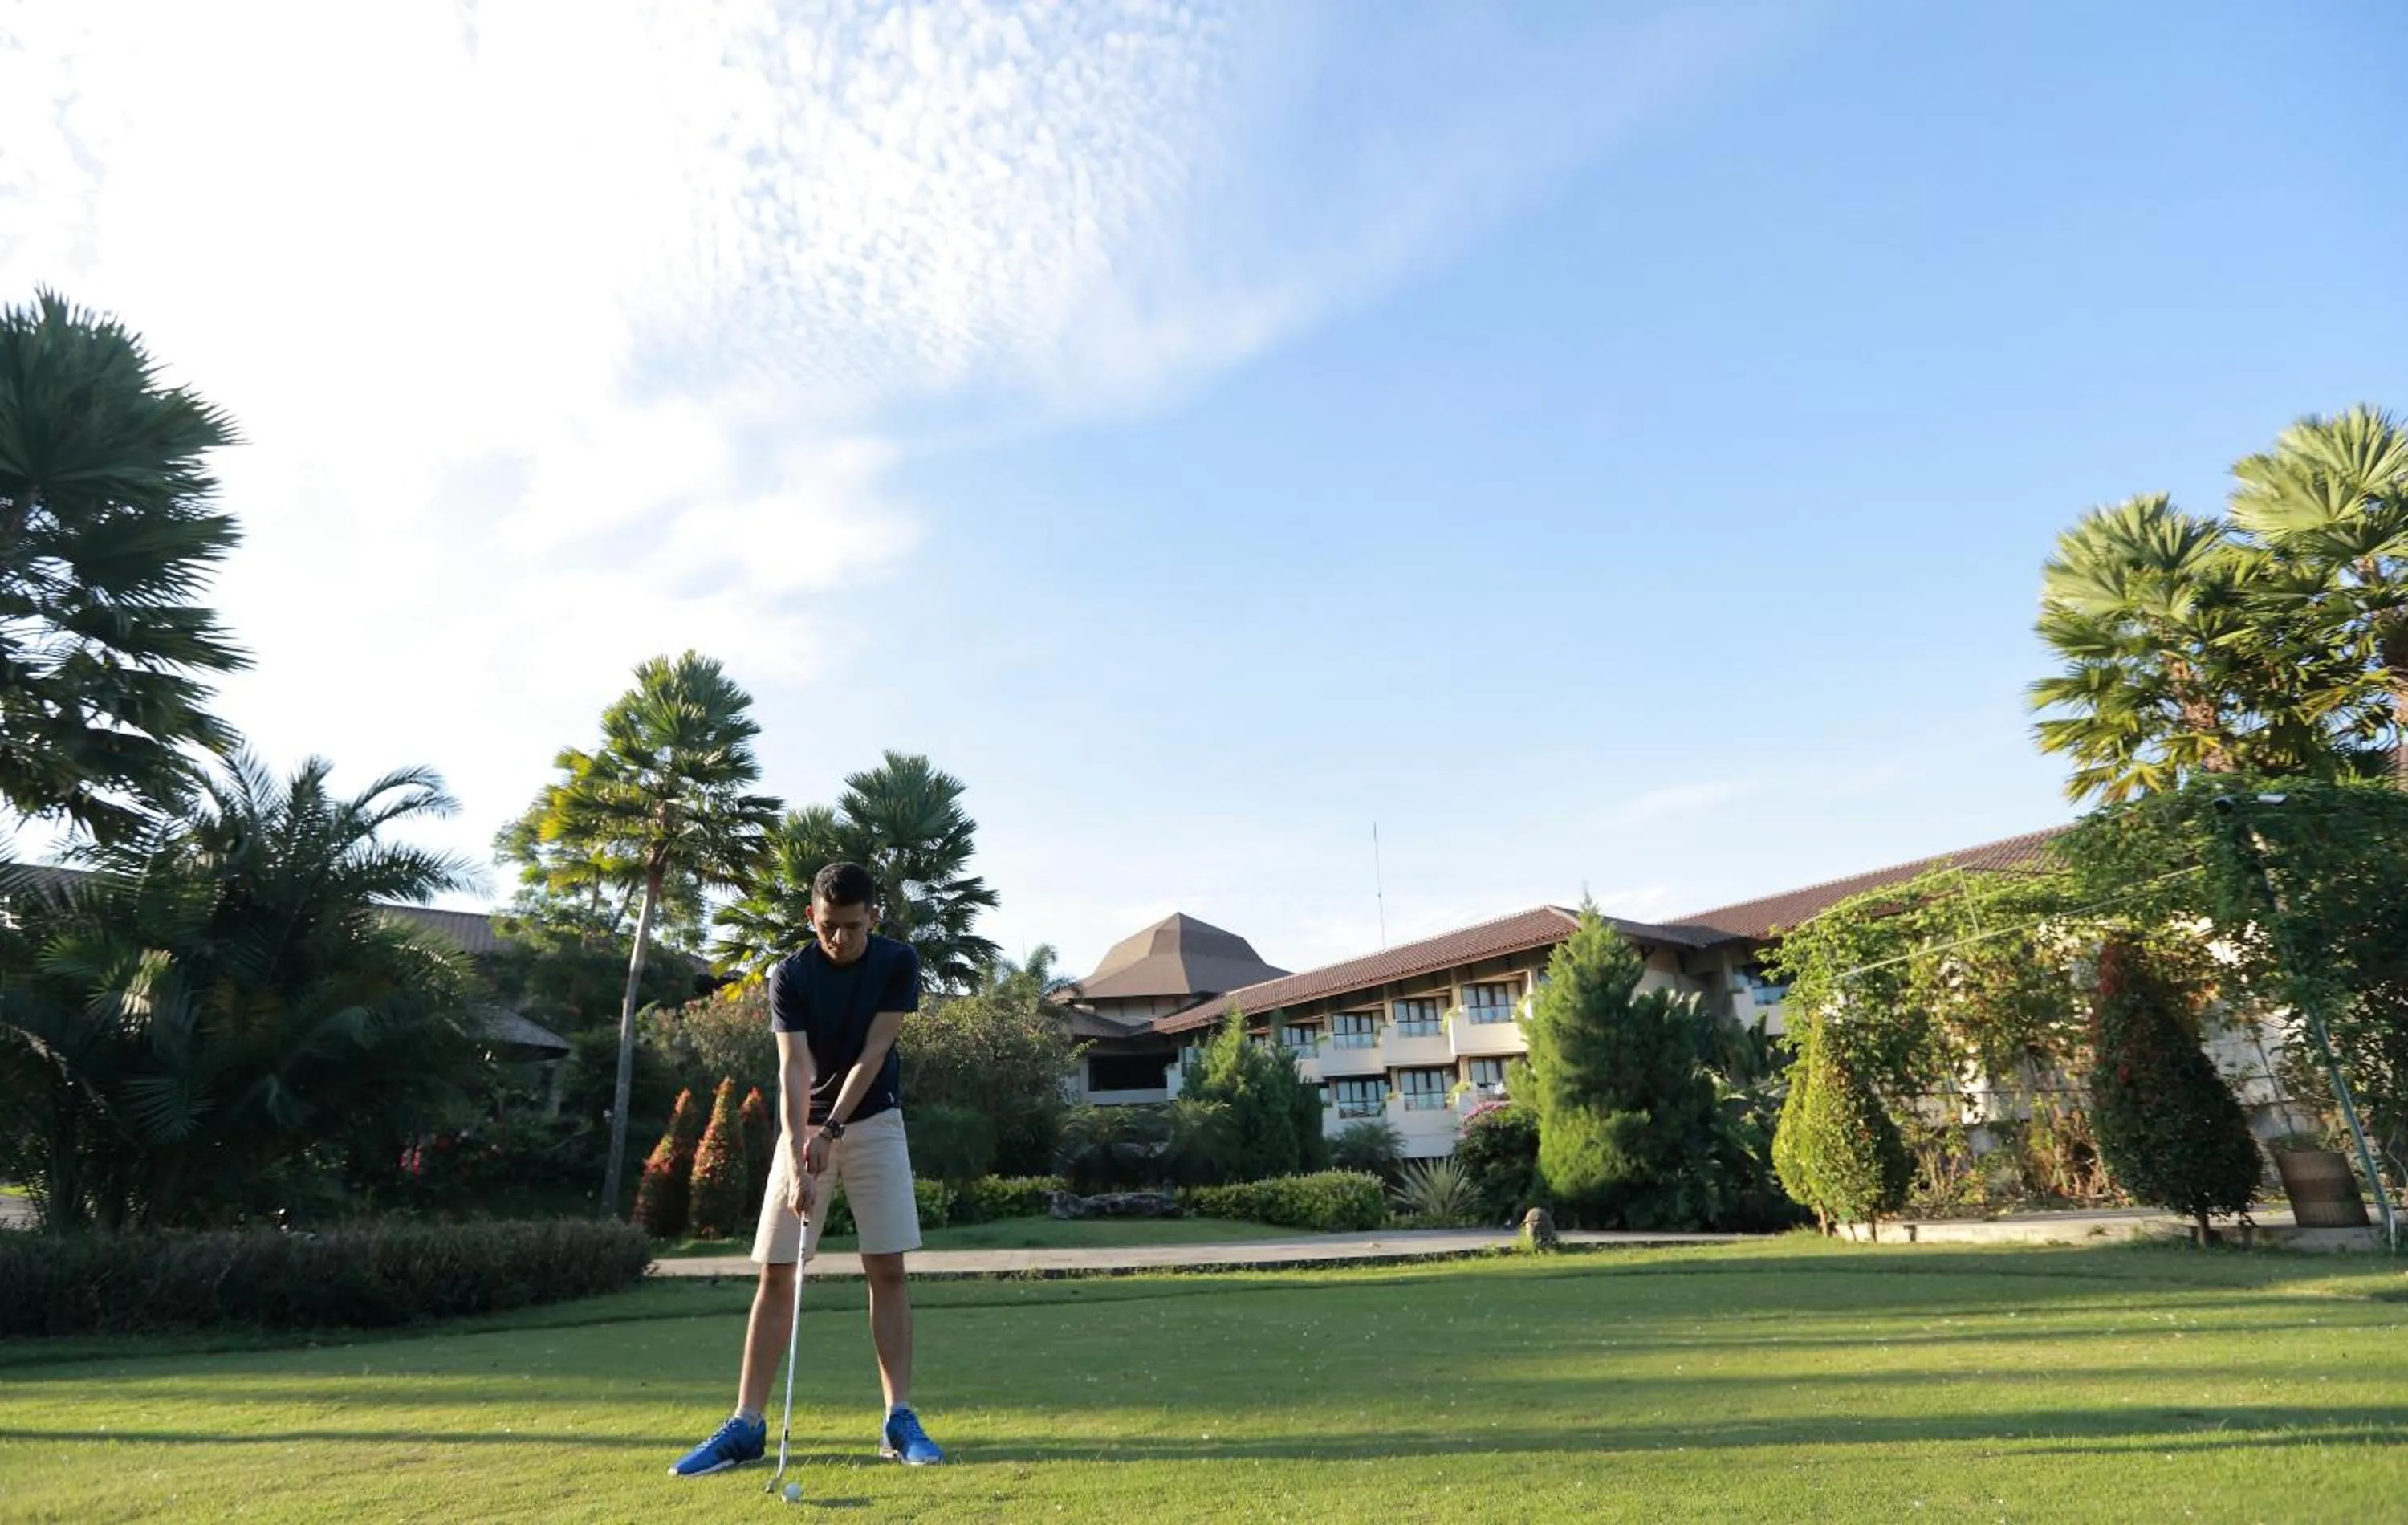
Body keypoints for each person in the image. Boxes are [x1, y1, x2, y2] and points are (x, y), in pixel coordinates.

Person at [669, 860, 945, 1475]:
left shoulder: (898, 962)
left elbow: (875, 1052)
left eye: (852, 926)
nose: (839, 938)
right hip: (803, 1129)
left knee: (887, 1269)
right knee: (777, 1272)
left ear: (873, 917)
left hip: (874, 1121)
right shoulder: (790, 974)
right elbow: (794, 1066)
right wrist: (799, 1151)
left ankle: (898, 1420)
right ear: (810, 917)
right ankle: (746, 1425)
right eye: (827, 926)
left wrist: (834, 1129)